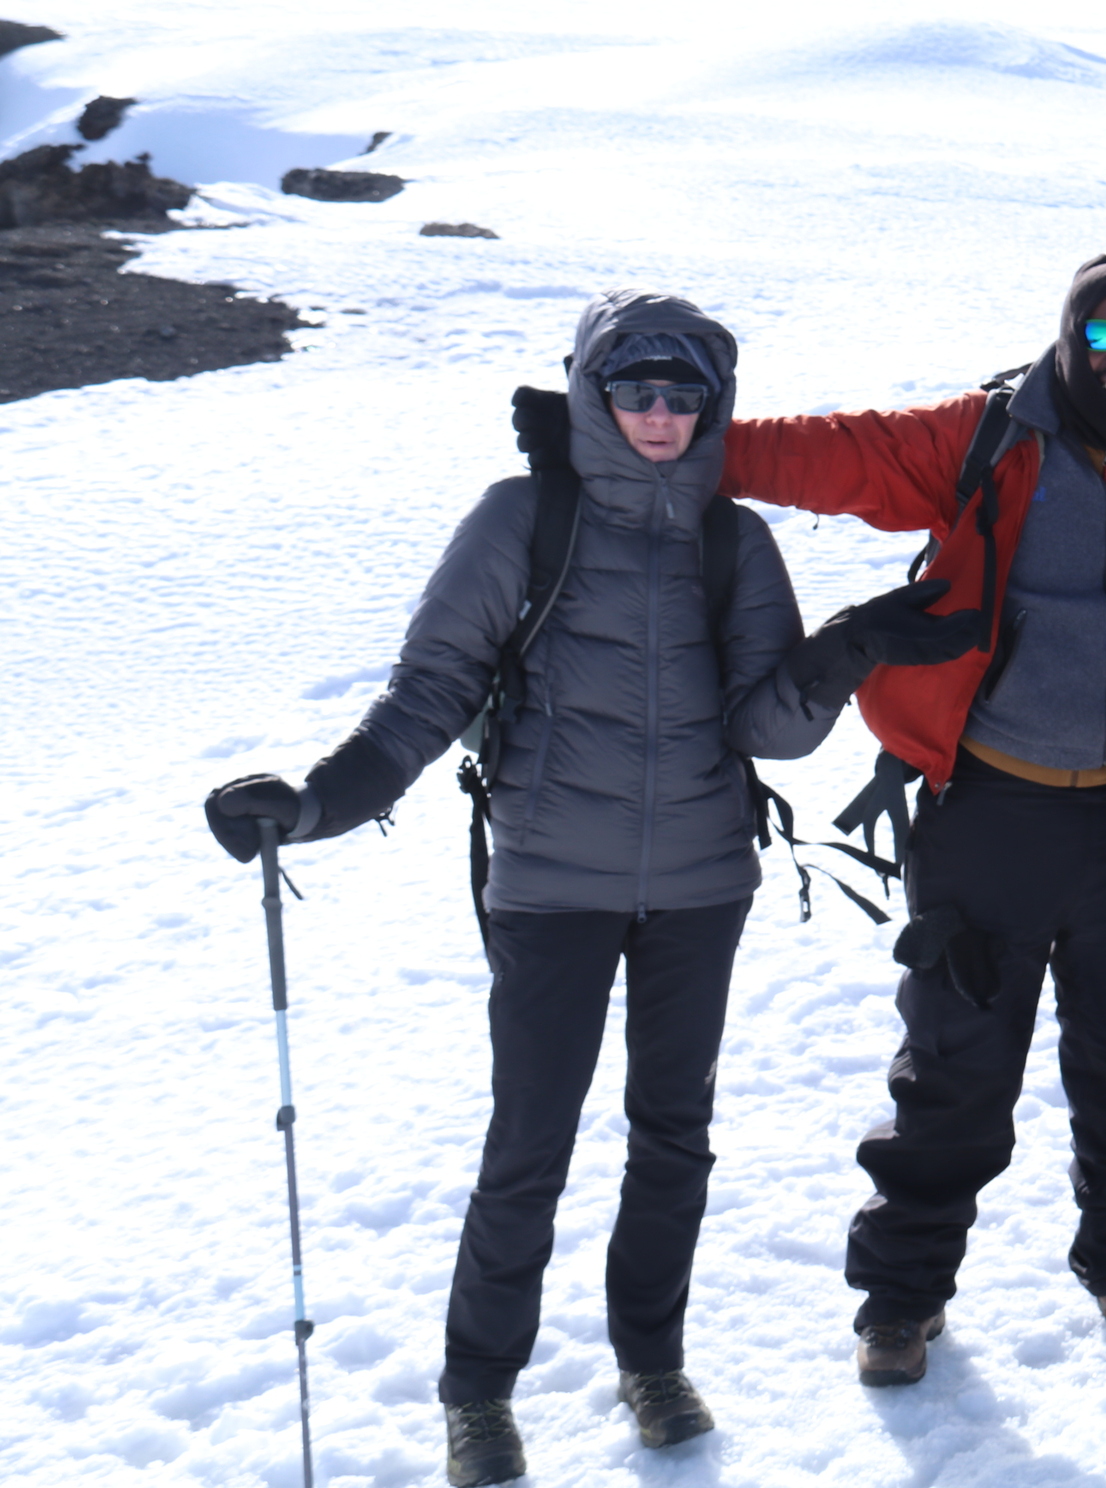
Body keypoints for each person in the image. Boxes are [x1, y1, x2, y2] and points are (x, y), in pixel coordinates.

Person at [203, 288, 977, 1488]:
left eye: (683, 394)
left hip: (702, 888)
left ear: (712, 403)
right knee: (530, 1143)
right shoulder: (523, 519)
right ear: (591, 392)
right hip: (552, 886)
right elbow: (428, 693)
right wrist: (312, 803)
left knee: (674, 1140)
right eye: (633, 390)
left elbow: (769, 733)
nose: (659, 415)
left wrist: (845, 650)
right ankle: (478, 1393)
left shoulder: (735, 537)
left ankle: (652, 1362)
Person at [715, 255, 1106, 1386]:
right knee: (955, 1065)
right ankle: (902, 1298)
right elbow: (831, 452)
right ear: (1066, 339)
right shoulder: (985, 440)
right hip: (992, 807)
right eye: (1103, 337)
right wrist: (651, 434)